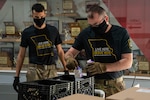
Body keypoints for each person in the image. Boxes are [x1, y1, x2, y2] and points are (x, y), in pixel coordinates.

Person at [65, 5, 133, 97]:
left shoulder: (120, 33)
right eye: (91, 25)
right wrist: (69, 58)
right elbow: (70, 53)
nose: (94, 28)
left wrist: (104, 67)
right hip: (92, 85)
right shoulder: (86, 34)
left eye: (97, 25)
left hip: (115, 85)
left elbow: (128, 62)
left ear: (106, 18)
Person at [13, 3, 68, 92]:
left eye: (42, 17)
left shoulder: (53, 30)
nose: (40, 19)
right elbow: (21, 55)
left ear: (45, 14)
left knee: (52, 95)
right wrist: (16, 76)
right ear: (32, 16)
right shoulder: (27, 32)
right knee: (33, 95)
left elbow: (60, 51)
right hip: (34, 70)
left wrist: (66, 68)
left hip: (51, 70)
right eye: (37, 17)